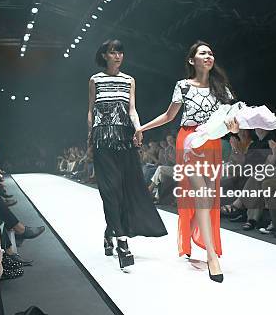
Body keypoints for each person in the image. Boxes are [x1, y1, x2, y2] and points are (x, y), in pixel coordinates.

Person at [136, 41, 239, 283]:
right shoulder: (182, 86)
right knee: (203, 194)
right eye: (203, 53)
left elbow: (232, 118)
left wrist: (234, 126)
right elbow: (169, 116)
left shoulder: (222, 88)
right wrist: (143, 127)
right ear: (192, 60)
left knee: (207, 197)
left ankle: (195, 229)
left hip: (213, 143)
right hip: (190, 140)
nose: (208, 56)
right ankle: (212, 256)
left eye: (211, 53)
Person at [87, 39, 167, 270]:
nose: (118, 56)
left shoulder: (129, 80)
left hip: (125, 138)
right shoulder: (95, 80)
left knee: (124, 189)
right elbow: (90, 111)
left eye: (120, 52)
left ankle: (110, 230)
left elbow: (132, 109)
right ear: (104, 55)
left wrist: (139, 128)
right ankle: (123, 243)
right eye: (113, 52)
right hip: (102, 138)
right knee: (109, 189)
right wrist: (89, 136)